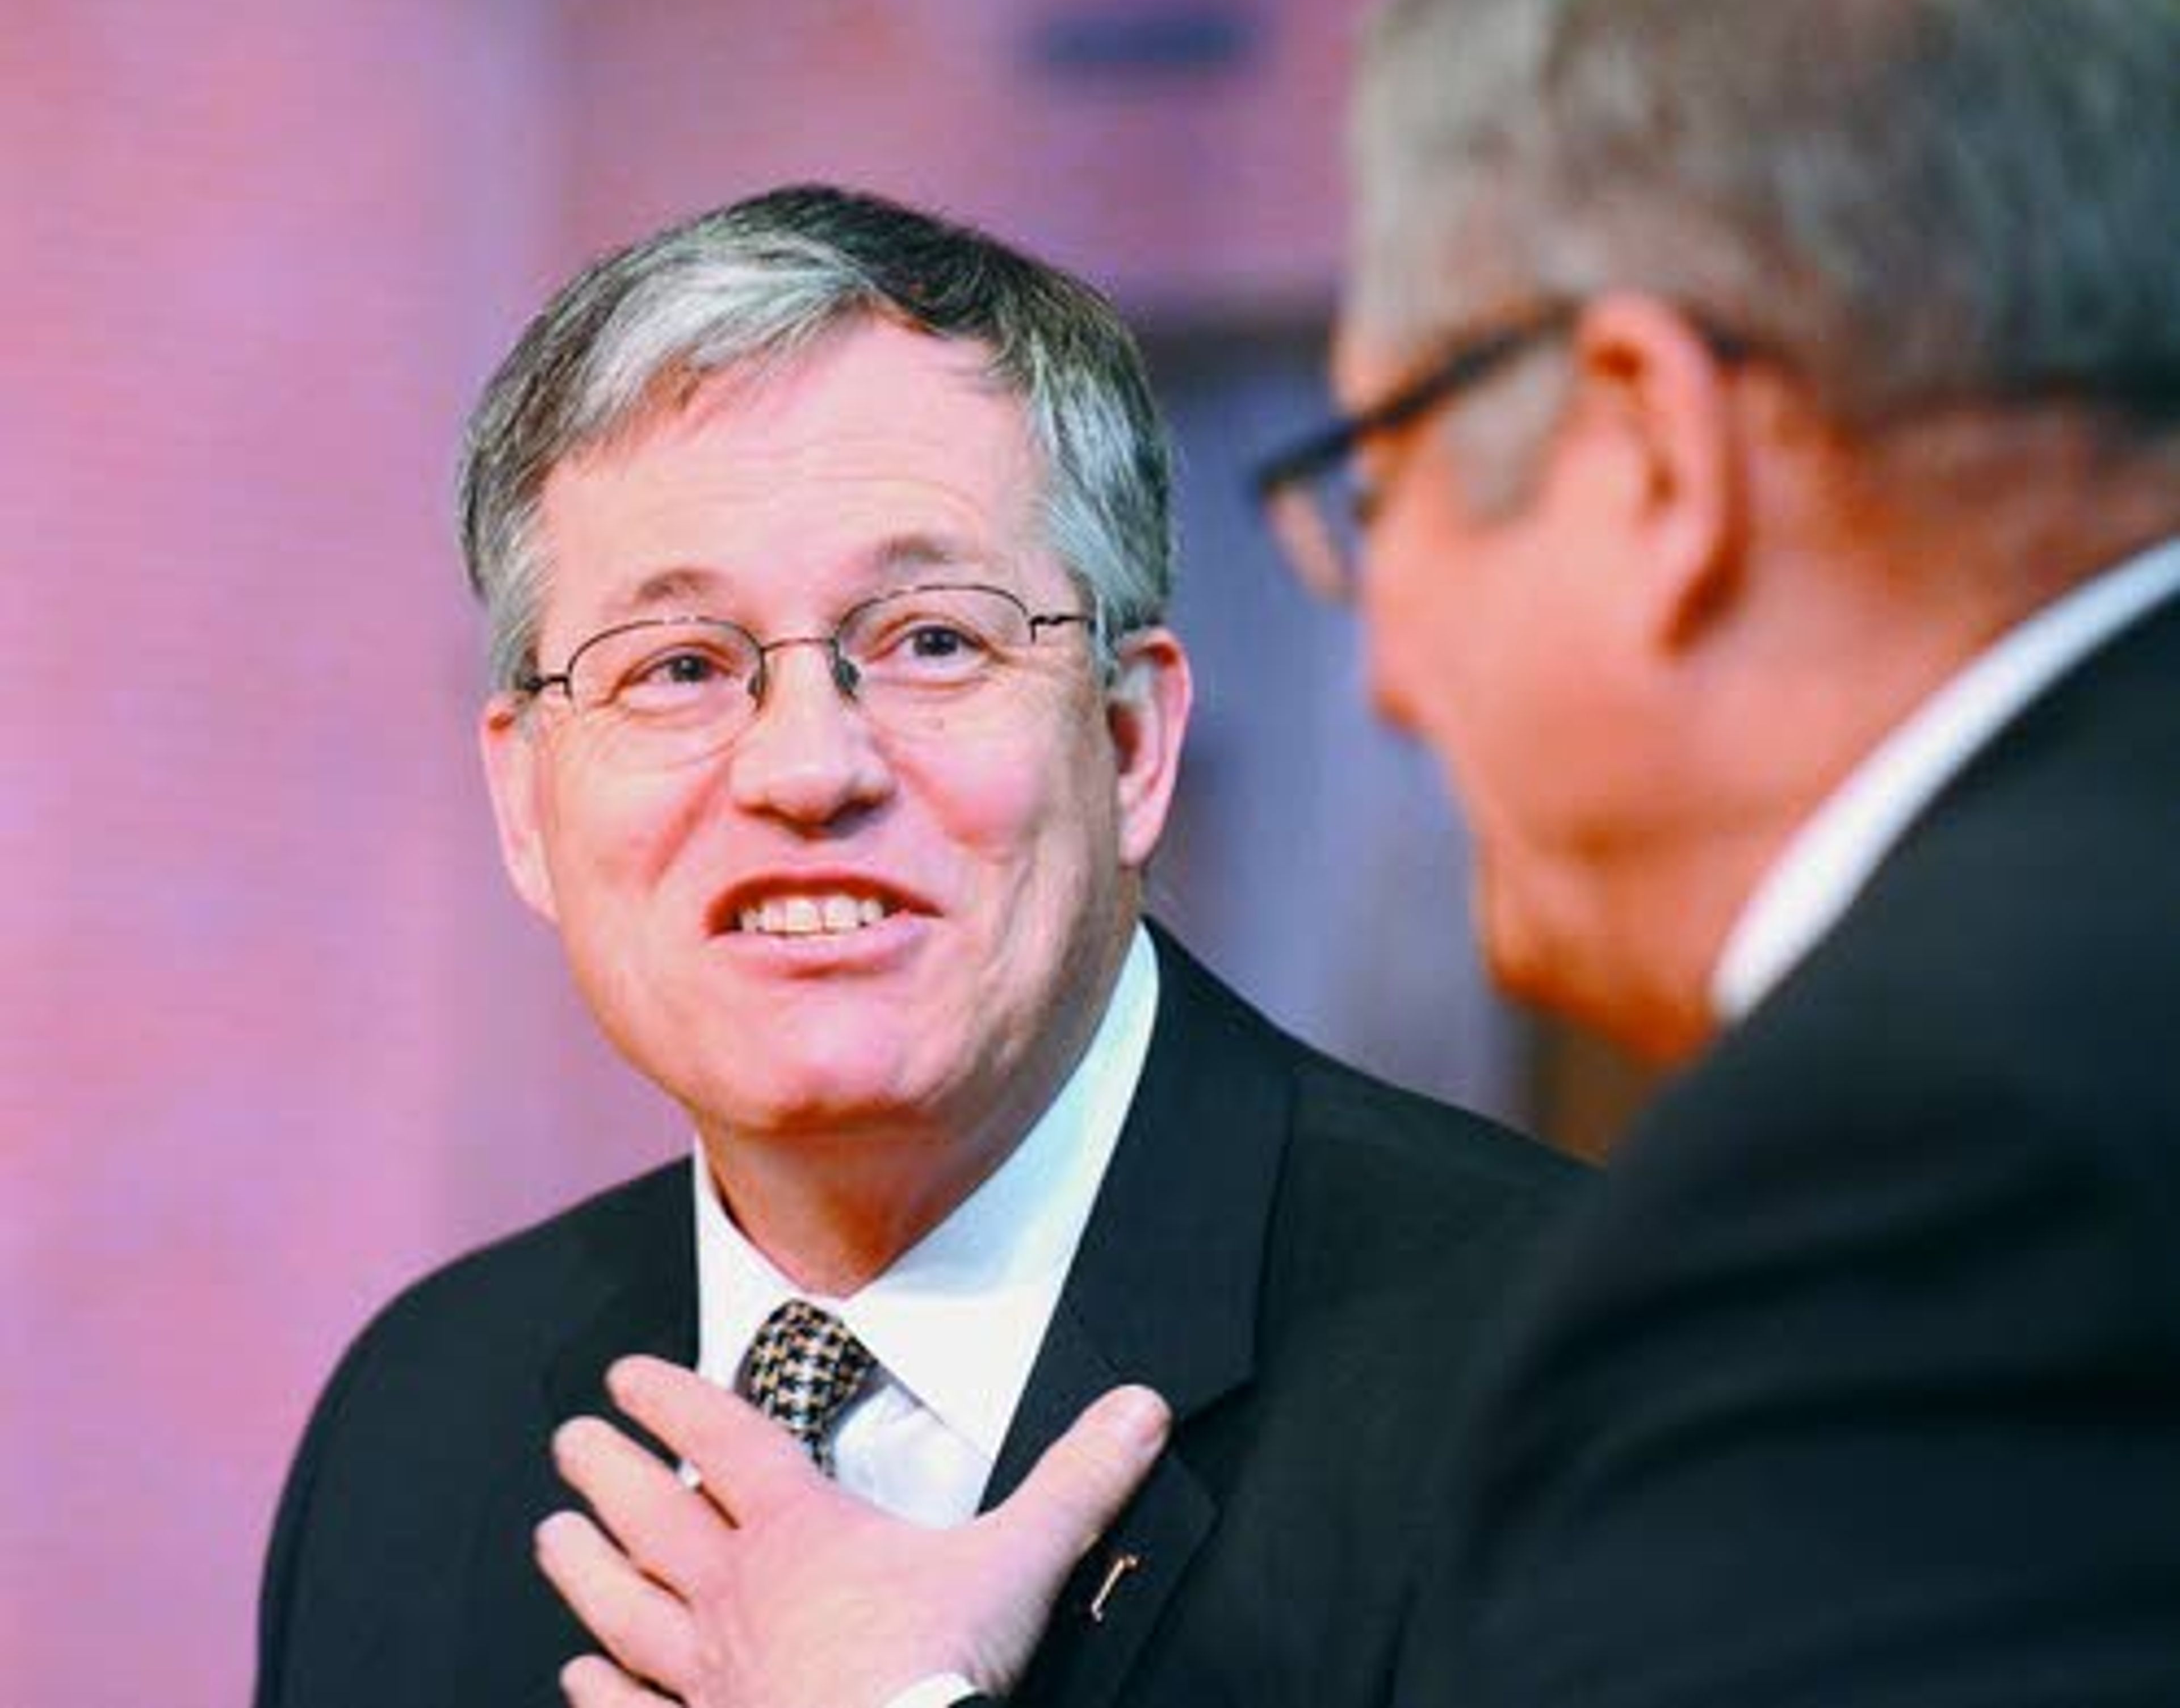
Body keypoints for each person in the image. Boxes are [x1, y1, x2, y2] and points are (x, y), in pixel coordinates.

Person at [590, 0, 2180, 1705]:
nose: (1391, 677)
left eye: (1376, 486)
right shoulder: (430, 1404)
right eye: (678, 670)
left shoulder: (1911, 1166)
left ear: (1655, 453)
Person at [251, 184, 1580, 1708]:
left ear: (1133, 740)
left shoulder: (1562, 1380)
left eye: (930, 641)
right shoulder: (417, 1427)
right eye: (678, 666)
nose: (808, 771)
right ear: (526, 802)